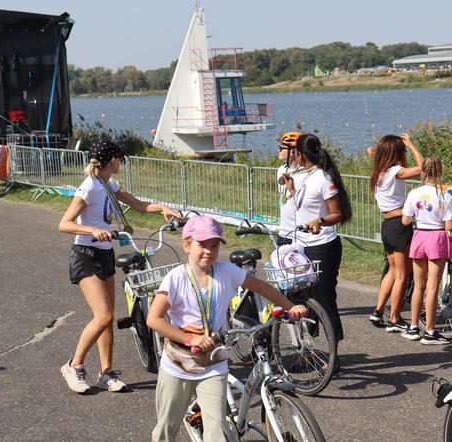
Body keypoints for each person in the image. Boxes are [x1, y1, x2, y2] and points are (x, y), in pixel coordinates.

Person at [147, 215, 308, 441]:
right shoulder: (176, 279)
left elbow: (261, 287)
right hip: (178, 364)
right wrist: (190, 339)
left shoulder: (226, 271)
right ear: (186, 245)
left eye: (214, 246)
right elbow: (154, 319)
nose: (208, 251)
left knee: (217, 430)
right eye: (202, 245)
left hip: (213, 362)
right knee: (166, 428)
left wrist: (291, 307)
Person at [58, 139, 180, 393]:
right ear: (112, 159)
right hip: (85, 254)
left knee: (108, 318)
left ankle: (106, 372)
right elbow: (65, 224)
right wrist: (92, 229)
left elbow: (137, 205)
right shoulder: (89, 187)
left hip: (104, 255)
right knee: (102, 315)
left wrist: (163, 208)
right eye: (120, 158)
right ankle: (74, 365)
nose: (121, 162)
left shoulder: (108, 183)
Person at [282, 134, 352, 354]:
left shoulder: (323, 178)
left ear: (300, 154)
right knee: (304, 299)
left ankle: (334, 354)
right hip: (302, 245)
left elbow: (338, 214)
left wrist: (320, 221)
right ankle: (308, 351)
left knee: (324, 299)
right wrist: (293, 191)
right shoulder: (306, 176)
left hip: (323, 246)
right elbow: (304, 207)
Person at [368, 133, 423, 332]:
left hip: (387, 226)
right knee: (402, 274)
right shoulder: (396, 172)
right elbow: (424, 168)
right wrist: (412, 146)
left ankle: (378, 310)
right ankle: (395, 318)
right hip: (399, 226)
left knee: (392, 271)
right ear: (396, 153)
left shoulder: (379, 173)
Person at [400, 158, 452, 344]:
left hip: (419, 236)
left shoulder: (414, 193)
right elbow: (449, 225)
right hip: (436, 237)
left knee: (419, 286)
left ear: (423, 172)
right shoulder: (444, 196)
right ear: (440, 173)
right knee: (432, 287)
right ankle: (430, 330)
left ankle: (414, 326)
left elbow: (406, 221)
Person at [276, 131, 303, 247]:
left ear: (292, 152)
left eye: (281, 148)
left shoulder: (303, 173)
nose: (278, 150)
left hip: (299, 233)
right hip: (284, 231)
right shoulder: (280, 170)